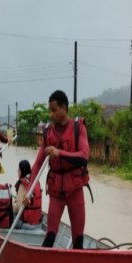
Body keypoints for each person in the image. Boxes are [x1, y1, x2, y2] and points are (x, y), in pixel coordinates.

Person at [29, 90, 90, 249]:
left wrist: (59, 152)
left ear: (64, 108)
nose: (51, 114)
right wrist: (29, 190)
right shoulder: (48, 132)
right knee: (50, 236)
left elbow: (84, 156)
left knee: (78, 240)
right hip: (56, 191)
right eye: (50, 110)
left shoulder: (78, 127)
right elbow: (37, 164)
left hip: (75, 189)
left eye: (54, 110)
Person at [13, 160, 42, 230]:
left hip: (25, 225)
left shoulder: (22, 184)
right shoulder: (36, 182)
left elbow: (18, 208)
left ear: (23, 171)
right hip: (38, 224)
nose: (17, 171)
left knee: (9, 212)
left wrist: (11, 206)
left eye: (19, 169)